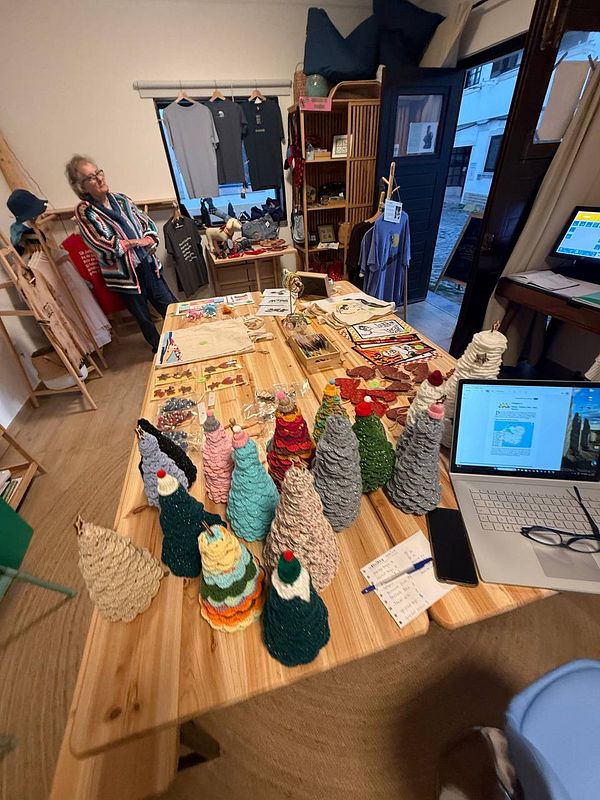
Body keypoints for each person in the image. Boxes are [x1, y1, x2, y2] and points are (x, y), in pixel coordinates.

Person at [65, 155, 177, 352]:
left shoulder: (121, 199)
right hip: (125, 277)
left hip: (149, 266)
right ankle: (160, 350)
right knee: (144, 318)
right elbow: (105, 244)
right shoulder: (85, 211)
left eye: (99, 172)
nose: (99, 178)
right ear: (81, 187)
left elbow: (146, 223)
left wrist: (148, 238)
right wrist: (137, 242)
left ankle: (184, 339)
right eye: (91, 177)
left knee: (172, 308)